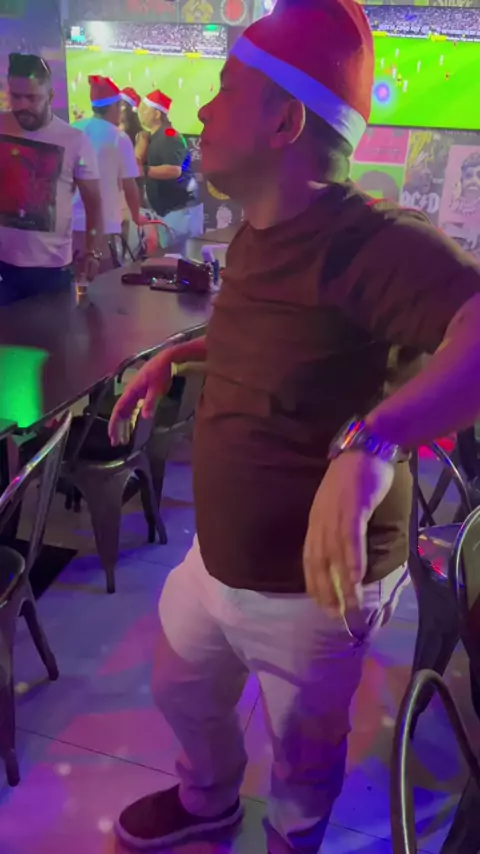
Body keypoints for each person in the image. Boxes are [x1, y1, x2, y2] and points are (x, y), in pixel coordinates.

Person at [108, 2, 480, 853]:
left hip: (313, 594)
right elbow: (271, 335)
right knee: (179, 689)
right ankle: (207, 800)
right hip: (214, 559)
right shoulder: (257, 231)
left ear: (285, 123)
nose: (202, 107)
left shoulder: (372, 242)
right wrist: (185, 356)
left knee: (303, 754)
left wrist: (374, 442)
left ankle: (293, 839)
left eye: (226, 88)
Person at [0, 53, 102, 304]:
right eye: (15, 96)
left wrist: (92, 251)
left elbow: (94, 203)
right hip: (3, 267)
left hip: (51, 271)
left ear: (51, 97)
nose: (22, 105)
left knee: (51, 330)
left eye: (32, 97)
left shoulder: (75, 141)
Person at [72, 76, 141, 272]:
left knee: (72, 283)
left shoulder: (73, 129)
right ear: (115, 106)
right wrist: (137, 217)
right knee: (100, 284)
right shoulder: (119, 138)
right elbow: (130, 186)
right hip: (102, 227)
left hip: (69, 226)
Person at [139, 89, 203, 254]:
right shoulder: (151, 137)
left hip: (179, 213)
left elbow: (174, 170)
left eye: (145, 110)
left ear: (157, 114)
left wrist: (144, 170)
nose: (141, 113)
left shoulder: (169, 135)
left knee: (180, 260)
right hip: (167, 213)